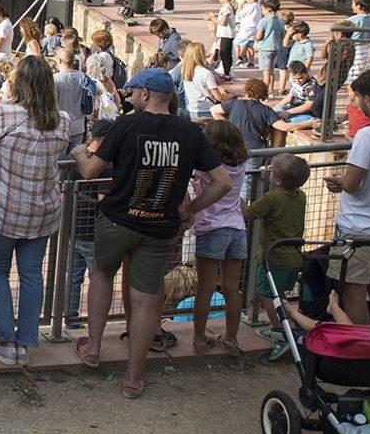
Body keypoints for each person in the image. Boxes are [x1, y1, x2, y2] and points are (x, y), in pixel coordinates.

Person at [70, 68, 230, 399]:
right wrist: (190, 209)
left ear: (144, 94)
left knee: (101, 276)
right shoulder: (190, 131)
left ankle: (94, 349)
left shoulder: (125, 124)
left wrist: (79, 153)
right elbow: (223, 183)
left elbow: (89, 171)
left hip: (118, 220)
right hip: (160, 226)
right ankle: (134, 377)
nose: (130, 98)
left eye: (132, 93)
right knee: (145, 298)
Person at [0, 55, 68, 366]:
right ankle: (26, 341)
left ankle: (6, 340)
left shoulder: (3, 114)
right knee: (31, 274)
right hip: (43, 211)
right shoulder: (62, 120)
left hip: (6, 210)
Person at [324, 66, 370, 325]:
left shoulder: (369, 135)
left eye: (356, 98)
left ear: (369, 99)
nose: (354, 103)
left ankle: (362, 345)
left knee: (353, 291)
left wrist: (338, 181)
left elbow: (352, 183)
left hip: (360, 228)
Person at [187, 119, 250, 355]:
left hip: (212, 228)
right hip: (237, 229)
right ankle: (231, 339)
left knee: (205, 288)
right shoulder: (242, 164)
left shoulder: (206, 168)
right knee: (232, 288)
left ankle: (199, 338)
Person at [243, 153, 310, 361]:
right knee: (279, 295)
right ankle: (285, 327)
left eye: (271, 170)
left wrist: (234, 196)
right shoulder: (301, 196)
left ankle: (281, 333)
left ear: (278, 181)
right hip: (294, 258)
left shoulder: (272, 198)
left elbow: (248, 213)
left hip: (274, 259)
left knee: (266, 294)